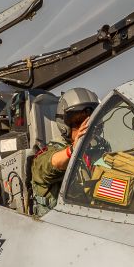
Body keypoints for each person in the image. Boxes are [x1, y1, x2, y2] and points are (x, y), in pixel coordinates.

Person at [31, 88, 99, 216]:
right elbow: (48, 165)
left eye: (91, 121)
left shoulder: (98, 149)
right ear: (64, 125)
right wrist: (74, 149)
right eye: (78, 122)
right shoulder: (52, 151)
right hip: (55, 226)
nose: (85, 127)